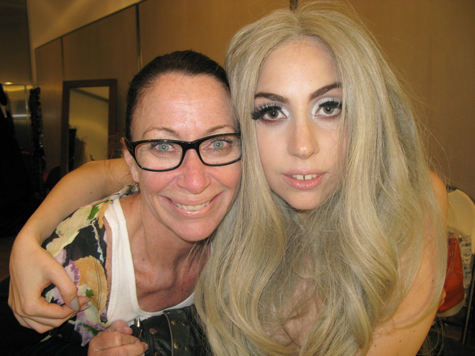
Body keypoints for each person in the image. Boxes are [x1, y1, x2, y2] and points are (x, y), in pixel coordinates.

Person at [8, 2, 457, 355]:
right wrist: (28, 239)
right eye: (272, 112)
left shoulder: (406, 207)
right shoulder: (231, 197)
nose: (303, 145)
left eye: (329, 107)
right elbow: (106, 172)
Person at [3, 50, 241, 354]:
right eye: (163, 145)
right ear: (131, 161)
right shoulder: (71, 267)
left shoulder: (246, 220)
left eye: (218, 143)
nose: (195, 181)